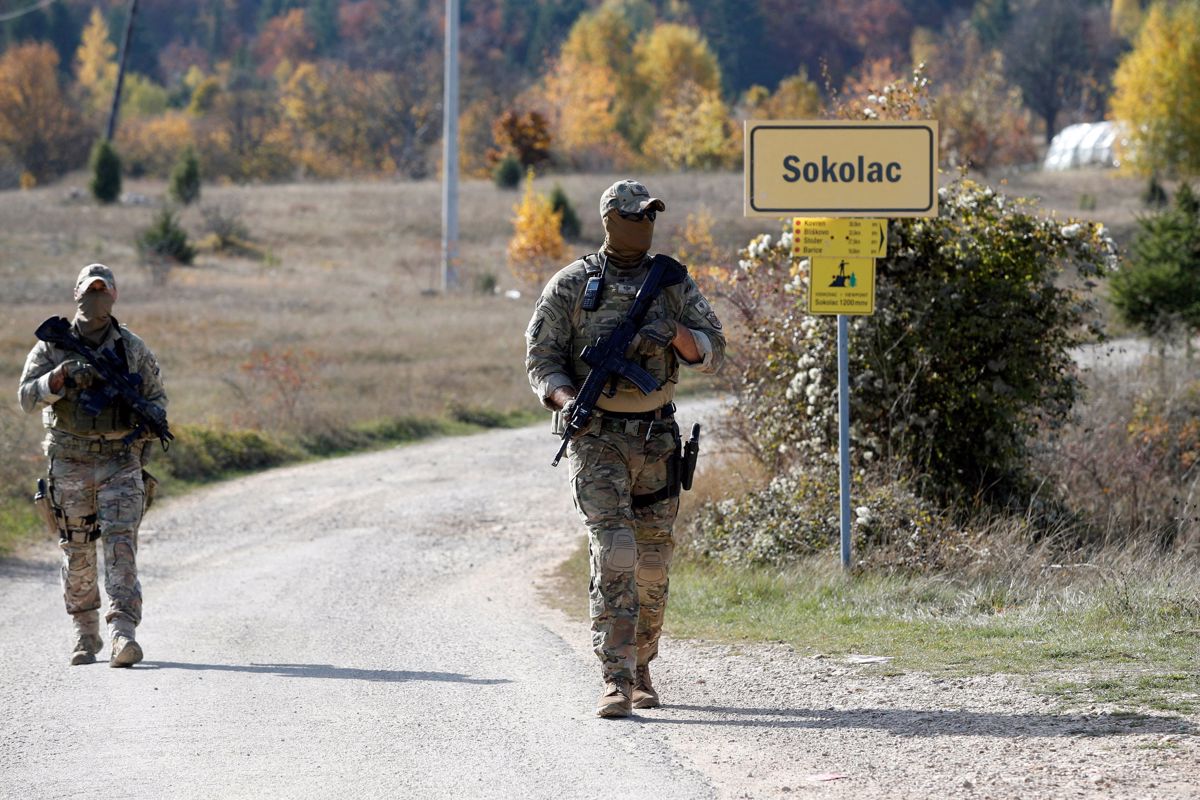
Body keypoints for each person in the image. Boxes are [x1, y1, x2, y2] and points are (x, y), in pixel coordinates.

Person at [525, 179, 726, 717]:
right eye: (633, 215)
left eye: (649, 217)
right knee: (615, 551)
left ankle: (642, 666)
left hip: (656, 436)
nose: (643, 225)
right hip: (596, 439)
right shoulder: (571, 285)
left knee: (653, 561)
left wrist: (676, 332)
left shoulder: (672, 282)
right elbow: (541, 358)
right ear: (610, 218)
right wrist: (565, 399)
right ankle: (614, 678)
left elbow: (713, 349)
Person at [18, 264, 167, 668]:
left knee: (121, 548)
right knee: (78, 551)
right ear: (76, 294)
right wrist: (59, 378)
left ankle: (123, 634)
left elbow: (159, 401)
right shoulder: (52, 347)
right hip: (69, 461)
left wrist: (144, 422)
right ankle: (85, 635)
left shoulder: (131, 348)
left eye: (103, 291)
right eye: (89, 291)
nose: (96, 298)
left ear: (114, 297)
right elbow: (26, 398)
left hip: (120, 461)